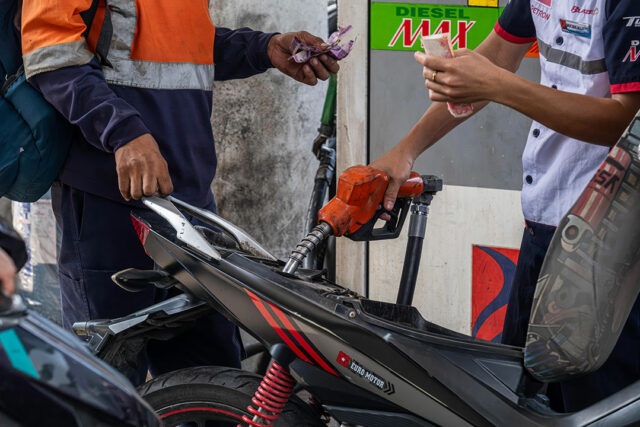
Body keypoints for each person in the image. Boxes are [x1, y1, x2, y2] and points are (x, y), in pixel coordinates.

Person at [20, 1, 340, 384]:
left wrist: (264, 48)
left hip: (188, 201)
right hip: (111, 200)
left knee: (214, 381)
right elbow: (50, 51)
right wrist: (122, 132)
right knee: (107, 384)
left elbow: (181, 50)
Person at [370, 0, 640, 412]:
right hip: (543, 225)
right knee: (521, 398)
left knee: (598, 408)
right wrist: (406, 150)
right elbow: (497, 55)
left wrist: (498, 85)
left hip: (610, 242)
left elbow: (626, 120)